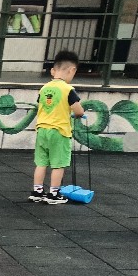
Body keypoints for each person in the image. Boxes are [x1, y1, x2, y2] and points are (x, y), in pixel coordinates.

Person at [29, 49, 84, 205]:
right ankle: (53, 194)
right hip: (59, 131)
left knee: (41, 162)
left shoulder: (44, 88)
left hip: (42, 130)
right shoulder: (68, 89)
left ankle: (37, 192)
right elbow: (78, 111)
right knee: (58, 164)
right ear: (72, 70)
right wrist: (78, 115)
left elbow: (43, 105)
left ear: (53, 71)